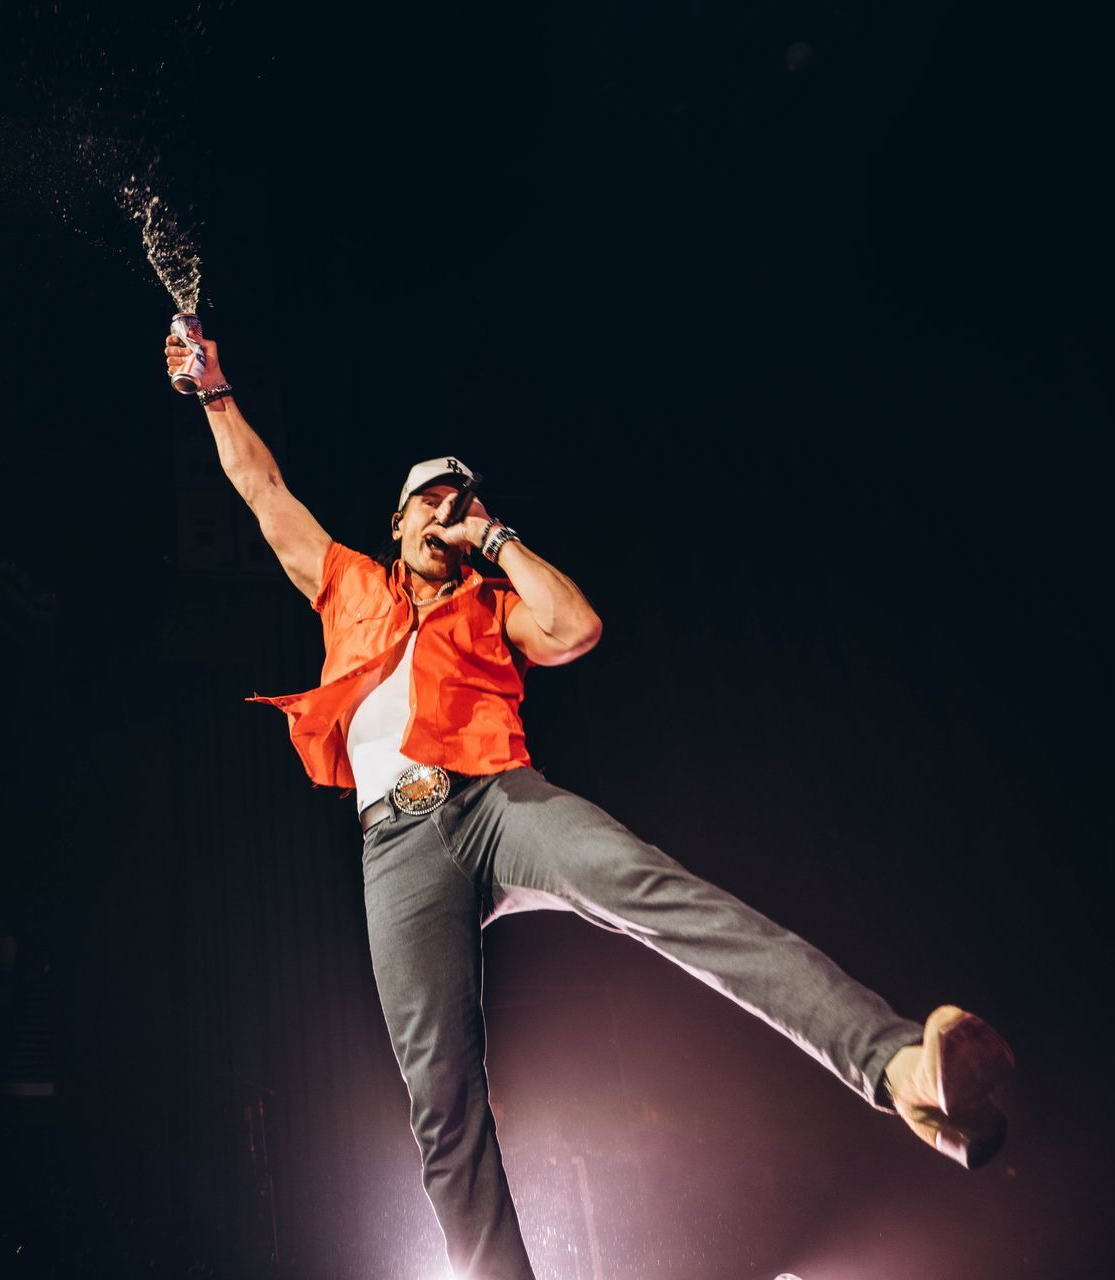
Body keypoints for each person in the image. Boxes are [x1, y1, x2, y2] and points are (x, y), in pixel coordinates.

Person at [163, 330, 1015, 1279]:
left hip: (498, 803)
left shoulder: (493, 602)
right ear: (396, 522)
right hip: (396, 848)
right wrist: (215, 392)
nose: (447, 513)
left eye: (461, 502)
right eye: (431, 502)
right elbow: (261, 490)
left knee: (660, 891)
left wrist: (494, 539)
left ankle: (900, 1068)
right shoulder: (347, 582)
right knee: (441, 1102)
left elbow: (576, 629)